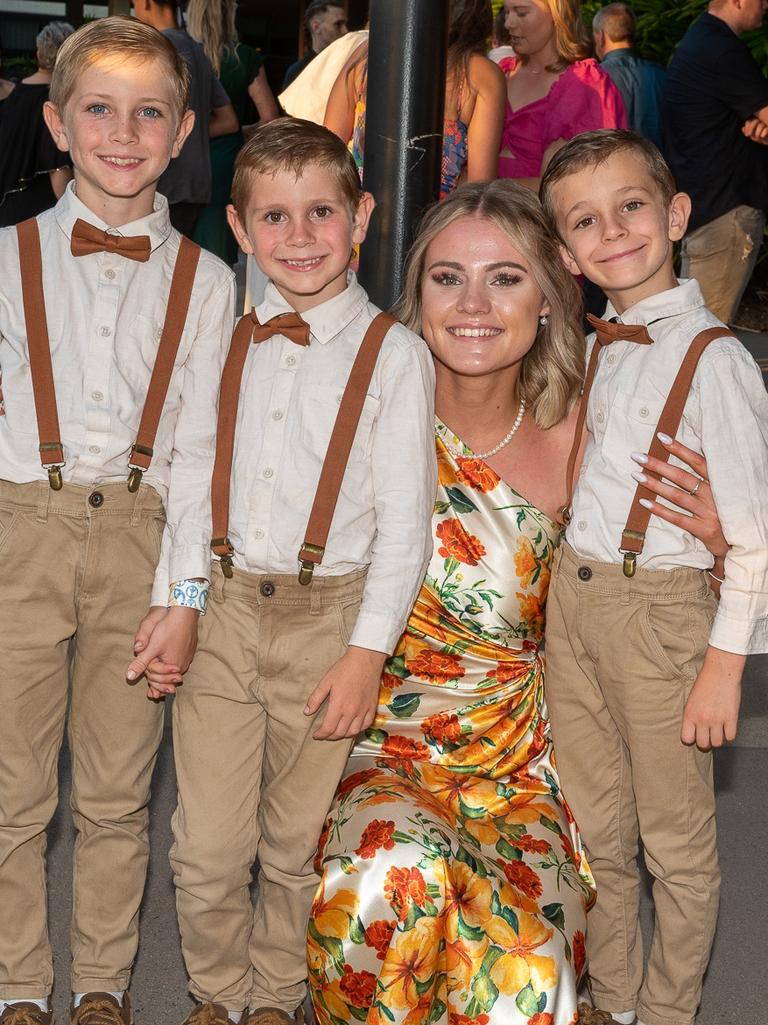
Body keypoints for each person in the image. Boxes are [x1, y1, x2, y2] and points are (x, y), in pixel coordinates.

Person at [129, 117, 437, 1025]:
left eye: (320, 213)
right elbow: (189, 482)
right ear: (237, 225)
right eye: (274, 217)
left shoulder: (396, 354)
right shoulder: (218, 339)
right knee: (206, 848)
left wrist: (365, 653)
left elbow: (407, 526)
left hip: (327, 620)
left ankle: (271, 999)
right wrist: (179, 601)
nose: (298, 237)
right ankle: (216, 997)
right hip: (220, 609)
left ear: (362, 214)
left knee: (295, 843)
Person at [307, 179, 594, 1025]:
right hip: (374, 746)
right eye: (447, 278)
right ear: (415, 294)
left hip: (521, 765)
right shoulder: (355, 409)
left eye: (505, 277)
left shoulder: (593, 431)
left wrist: (720, 530)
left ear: (548, 296)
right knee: (395, 876)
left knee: (527, 971)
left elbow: (675, 571)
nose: (473, 303)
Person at [0, 17, 235, 1025]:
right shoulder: (4, 258)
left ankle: (100, 982)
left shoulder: (212, 280)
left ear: (182, 134)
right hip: (20, 531)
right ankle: (18, 980)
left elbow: (199, 458)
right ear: (57, 123)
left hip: (143, 539)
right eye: (99, 108)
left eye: (150, 112)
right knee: (12, 793)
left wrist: (183, 597)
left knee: (116, 790)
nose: (123, 131)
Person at [539, 129, 768, 1025]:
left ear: (675, 214)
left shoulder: (718, 361)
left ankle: (670, 1011)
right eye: (586, 222)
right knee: (597, 830)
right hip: (577, 606)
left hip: (663, 620)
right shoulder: (601, 343)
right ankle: (617, 998)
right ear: (566, 251)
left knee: (675, 842)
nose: (614, 232)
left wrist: (724, 665)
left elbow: (754, 537)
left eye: (631, 206)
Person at [325, 0, 507, 198]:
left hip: (357, 216)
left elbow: (327, 152)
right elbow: (479, 189)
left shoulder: (368, 53)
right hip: (431, 223)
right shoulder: (481, 75)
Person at [664, 0, 768, 324]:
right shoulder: (721, 50)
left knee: (691, 335)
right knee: (700, 341)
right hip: (724, 217)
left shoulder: (701, 39)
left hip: (707, 210)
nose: (765, 6)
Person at [132, 0, 239, 236]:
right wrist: (189, 133)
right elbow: (228, 120)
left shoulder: (156, 48)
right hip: (195, 181)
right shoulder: (197, 51)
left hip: (162, 180)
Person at [186, 0, 279, 262]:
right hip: (227, 160)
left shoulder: (182, 54)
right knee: (218, 244)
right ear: (230, 16)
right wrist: (241, 129)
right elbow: (270, 119)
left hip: (185, 155)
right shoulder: (244, 57)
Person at [498, 0, 627, 188]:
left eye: (521, 12)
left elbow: (564, 188)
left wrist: (477, 187)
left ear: (557, 14)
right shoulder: (501, 71)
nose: (508, 23)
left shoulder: (582, 84)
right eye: (507, 12)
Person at [0, 21, 74, 226]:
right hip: (37, 212)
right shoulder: (54, 103)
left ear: (39, 55)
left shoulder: (14, 94)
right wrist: (71, 216)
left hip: (7, 205)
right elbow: (58, 169)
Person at [592, 3, 665, 149]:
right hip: (660, 167)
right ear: (633, 34)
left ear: (601, 37)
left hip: (612, 166)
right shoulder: (661, 75)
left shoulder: (594, 78)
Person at [282, 2, 348, 90]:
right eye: (338, 24)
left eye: (345, 24)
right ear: (316, 27)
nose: (345, 31)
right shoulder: (299, 73)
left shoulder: (349, 64)